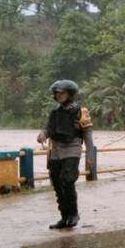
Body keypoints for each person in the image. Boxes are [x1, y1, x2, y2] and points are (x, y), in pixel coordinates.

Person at [36, 80, 94, 229]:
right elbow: (48, 130)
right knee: (56, 183)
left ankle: (73, 214)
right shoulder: (55, 112)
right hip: (55, 150)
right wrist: (43, 134)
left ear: (70, 94)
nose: (59, 95)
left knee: (67, 180)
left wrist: (90, 156)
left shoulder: (81, 111)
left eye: (62, 93)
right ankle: (64, 217)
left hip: (72, 148)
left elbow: (87, 134)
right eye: (57, 93)